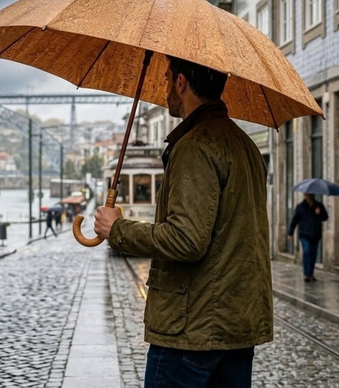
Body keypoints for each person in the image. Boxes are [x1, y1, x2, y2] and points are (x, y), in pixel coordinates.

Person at [93, 56, 273, 388]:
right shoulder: (245, 145)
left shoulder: (195, 146)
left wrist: (117, 229)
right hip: (238, 324)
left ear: (181, 83)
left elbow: (187, 239)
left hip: (191, 328)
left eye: (165, 80)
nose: (164, 89)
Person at [288, 193, 329, 282]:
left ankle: (311, 274)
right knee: (306, 251)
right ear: (305, 196)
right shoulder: (300, 207)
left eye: (310, 195)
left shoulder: (319, 205)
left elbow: (325, 217)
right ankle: (307, 274)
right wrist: (290, 233)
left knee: (313, 254)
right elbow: (294, 220)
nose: (309, 196)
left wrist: (319, 213)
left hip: (315, 234)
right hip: (304, 234)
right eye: (307, 195)